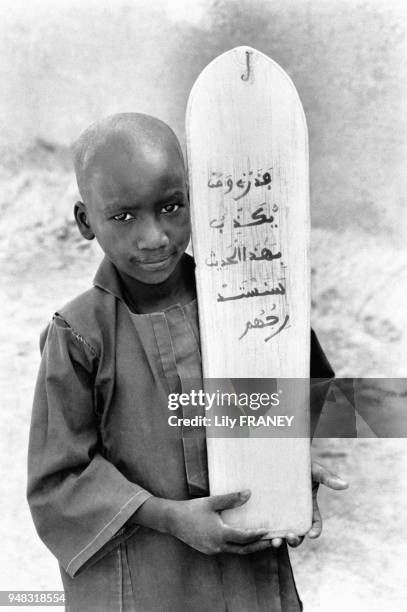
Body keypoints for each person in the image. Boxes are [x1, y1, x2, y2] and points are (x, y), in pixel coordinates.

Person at [27, 113, 347, 612]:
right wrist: (171, 517)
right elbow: (58, 480)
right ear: (86, 221)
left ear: (195, 197)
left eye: (171, 206)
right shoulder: (78, 334)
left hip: (247, 570)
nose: (154, 236)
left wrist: (288, 471)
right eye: (124, 216)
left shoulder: (248, 298)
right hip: (142, 577)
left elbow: (308, 403)